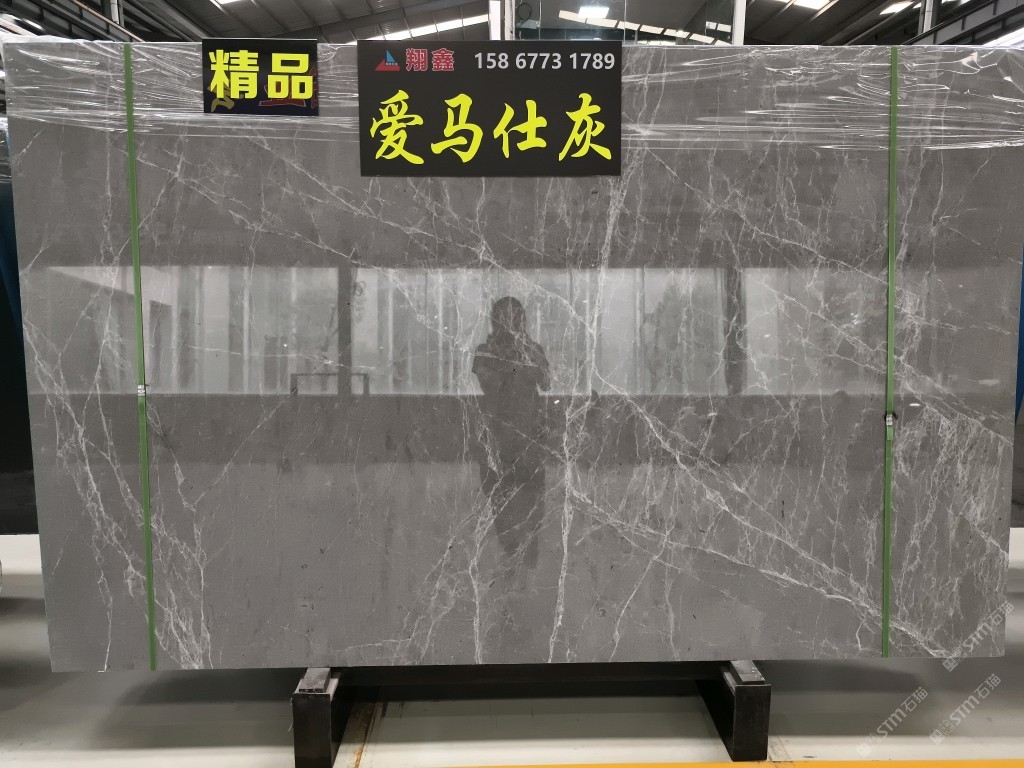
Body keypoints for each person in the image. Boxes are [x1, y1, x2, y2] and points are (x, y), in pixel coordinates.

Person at [472, 297, 550, 571]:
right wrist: (515, 360)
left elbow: (546, 382)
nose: (509, 324)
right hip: (499, 442)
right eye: (503, 317)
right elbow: (490, 384)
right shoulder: (485, 351)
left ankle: (527, 560)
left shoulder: (532, 349)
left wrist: (528, 354)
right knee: (500, 505)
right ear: (495, 320)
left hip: (528, 440)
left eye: (514, 317)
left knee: (532, 503)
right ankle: (512, 558)